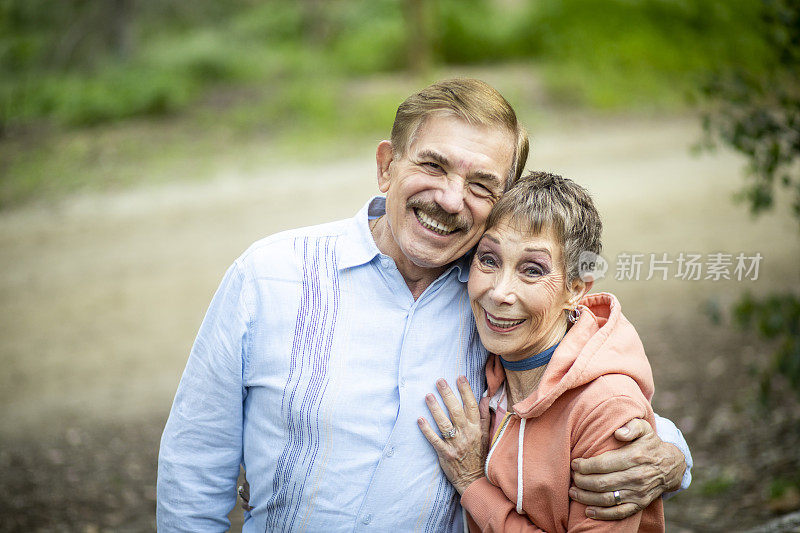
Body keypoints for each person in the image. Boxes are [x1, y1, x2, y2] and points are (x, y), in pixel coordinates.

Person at [157, 79, 691, 532]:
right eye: (433, 166)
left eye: (481, 184)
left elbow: (584, 382)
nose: (451, 199)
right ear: (387, 165)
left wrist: (670, 454)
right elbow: (195, 464)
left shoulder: (496, 302)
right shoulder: (269, 274)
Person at [419, 171, 667, 531]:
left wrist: (472, 484)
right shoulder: (485, 363)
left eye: (532, 270)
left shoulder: (607, 408)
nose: (499, 292)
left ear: (575, 288)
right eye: (488, 260)